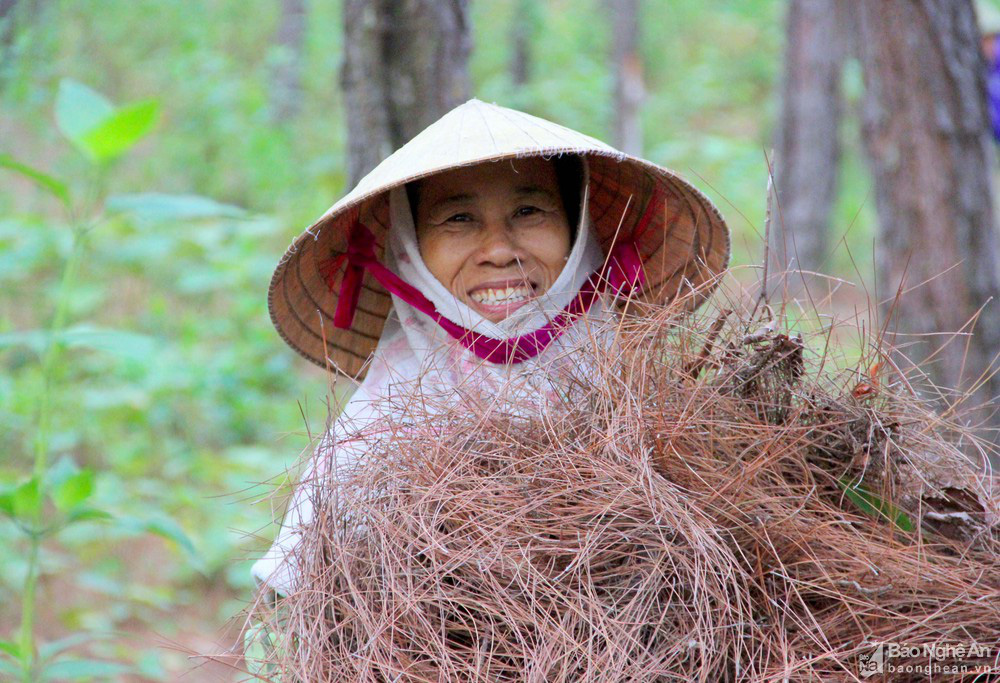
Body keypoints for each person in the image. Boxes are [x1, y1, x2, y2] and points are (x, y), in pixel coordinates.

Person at [252, 98, 730, 597]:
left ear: (578, 226)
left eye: (529, 211)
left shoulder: (649, 395)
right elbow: (291, 605)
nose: (500, 251)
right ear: (409, 247)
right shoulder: (377, 427)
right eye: (458, 219)